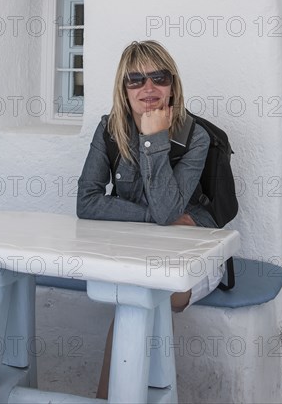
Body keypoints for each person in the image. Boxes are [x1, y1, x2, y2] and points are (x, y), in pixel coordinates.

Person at [77, 40, 224, 398]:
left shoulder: (195, 137)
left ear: (173, 84)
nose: (148, 88)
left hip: (194, 256)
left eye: (159, 77)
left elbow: (167, 211)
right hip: (138, 253)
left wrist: (154, 139)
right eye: (135, 79)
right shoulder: (110, 131)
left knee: (144, 292)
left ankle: (109, 396)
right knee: (140, 289)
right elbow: (87, 201)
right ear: (122, 89)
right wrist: (154, 218)